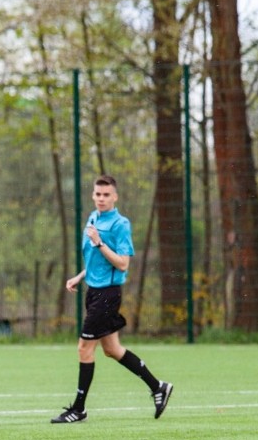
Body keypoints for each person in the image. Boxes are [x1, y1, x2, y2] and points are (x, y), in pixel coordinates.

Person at [52, 174, 173, 424]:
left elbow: (122, 263)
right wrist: (79, 276)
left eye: (106, 195)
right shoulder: (93, 218)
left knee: (84, 348)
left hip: (108, 295)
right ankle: (158, 386)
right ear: (93, 195)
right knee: (112, 349)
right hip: (93, 291)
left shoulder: (120, 224)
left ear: (115, 197)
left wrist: (99, 244)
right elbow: (96, 262)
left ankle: (79, 408)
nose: (101, 198)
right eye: (98, 194)